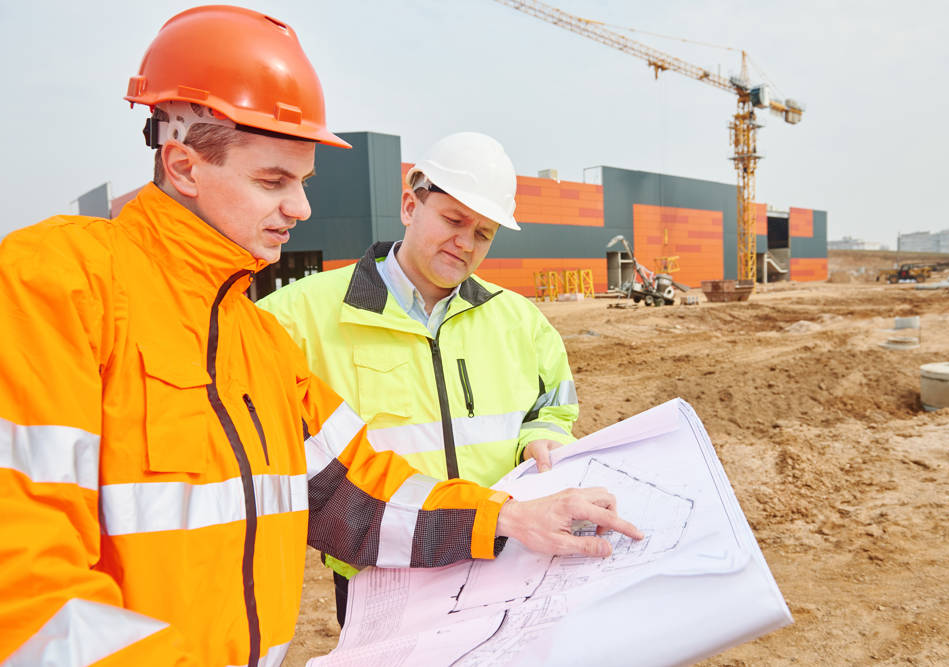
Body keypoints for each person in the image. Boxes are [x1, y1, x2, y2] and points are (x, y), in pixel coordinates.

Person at [0, 7, 640, 666]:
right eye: (273, 181)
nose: (301, 207)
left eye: (302, 182)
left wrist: (508, 517)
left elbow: (350, 492)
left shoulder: (258, 342)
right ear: (184, 165)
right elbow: (24, 587)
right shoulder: (59, 286)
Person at [258, 131, 580, 625]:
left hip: (502, 552)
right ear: (410, 205)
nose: (465, 243)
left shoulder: (519, 320)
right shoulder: (296, 318)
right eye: (453, 220)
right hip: (381, 569)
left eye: (483, 234)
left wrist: (542, 435)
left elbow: (552, 405)